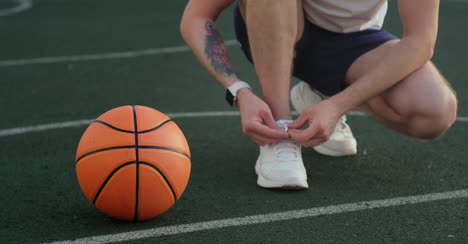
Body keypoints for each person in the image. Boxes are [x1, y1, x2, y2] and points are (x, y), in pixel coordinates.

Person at [180, 0, 458, 189]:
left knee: (433, 112)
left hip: (354, 42)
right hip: (272, 23)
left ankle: (319, 94)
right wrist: (239, 91)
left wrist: (338, 104)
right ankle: (278, 130)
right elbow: (196, 17)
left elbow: (420, 41)